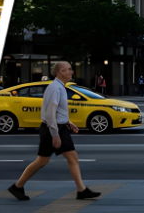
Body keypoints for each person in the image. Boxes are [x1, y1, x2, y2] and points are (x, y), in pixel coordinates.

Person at [8, 61, 101, 201]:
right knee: (46, 161)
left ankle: (81, 190)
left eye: (71, 69)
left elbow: (58, 111)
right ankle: (18, 186)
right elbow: (50, 113)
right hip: (53, 129)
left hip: (59, 127)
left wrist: (68, 123)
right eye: (68, 70)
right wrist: (55, 135)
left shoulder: (60, 87)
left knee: (59, 159)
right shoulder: (55, 88)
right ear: (59, 72)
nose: (71, 72)